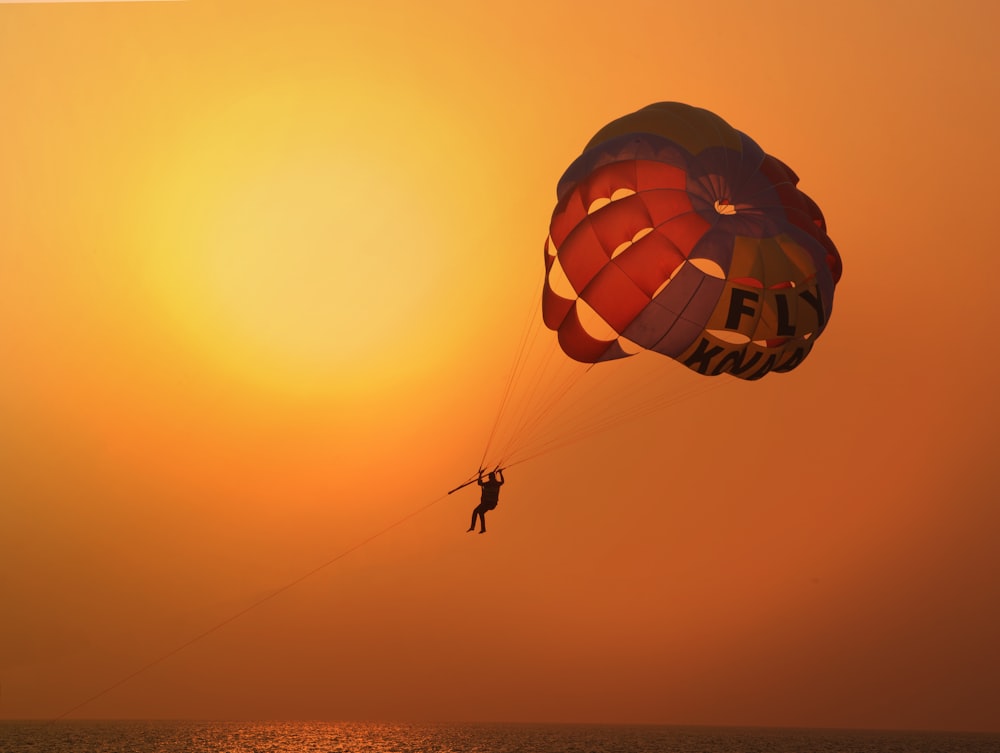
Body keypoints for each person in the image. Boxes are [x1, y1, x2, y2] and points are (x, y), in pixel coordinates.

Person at [468, 469, 504, 534]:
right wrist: (501, 473)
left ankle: (473, 527)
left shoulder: (488, 484)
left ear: (490, 478)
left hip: (487, 503)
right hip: (492, 504)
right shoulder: (496, 483)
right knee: (480, 512)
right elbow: (502, 482)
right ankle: (483, 528)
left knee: (476, 511)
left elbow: (479, 483)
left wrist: (480, 474)